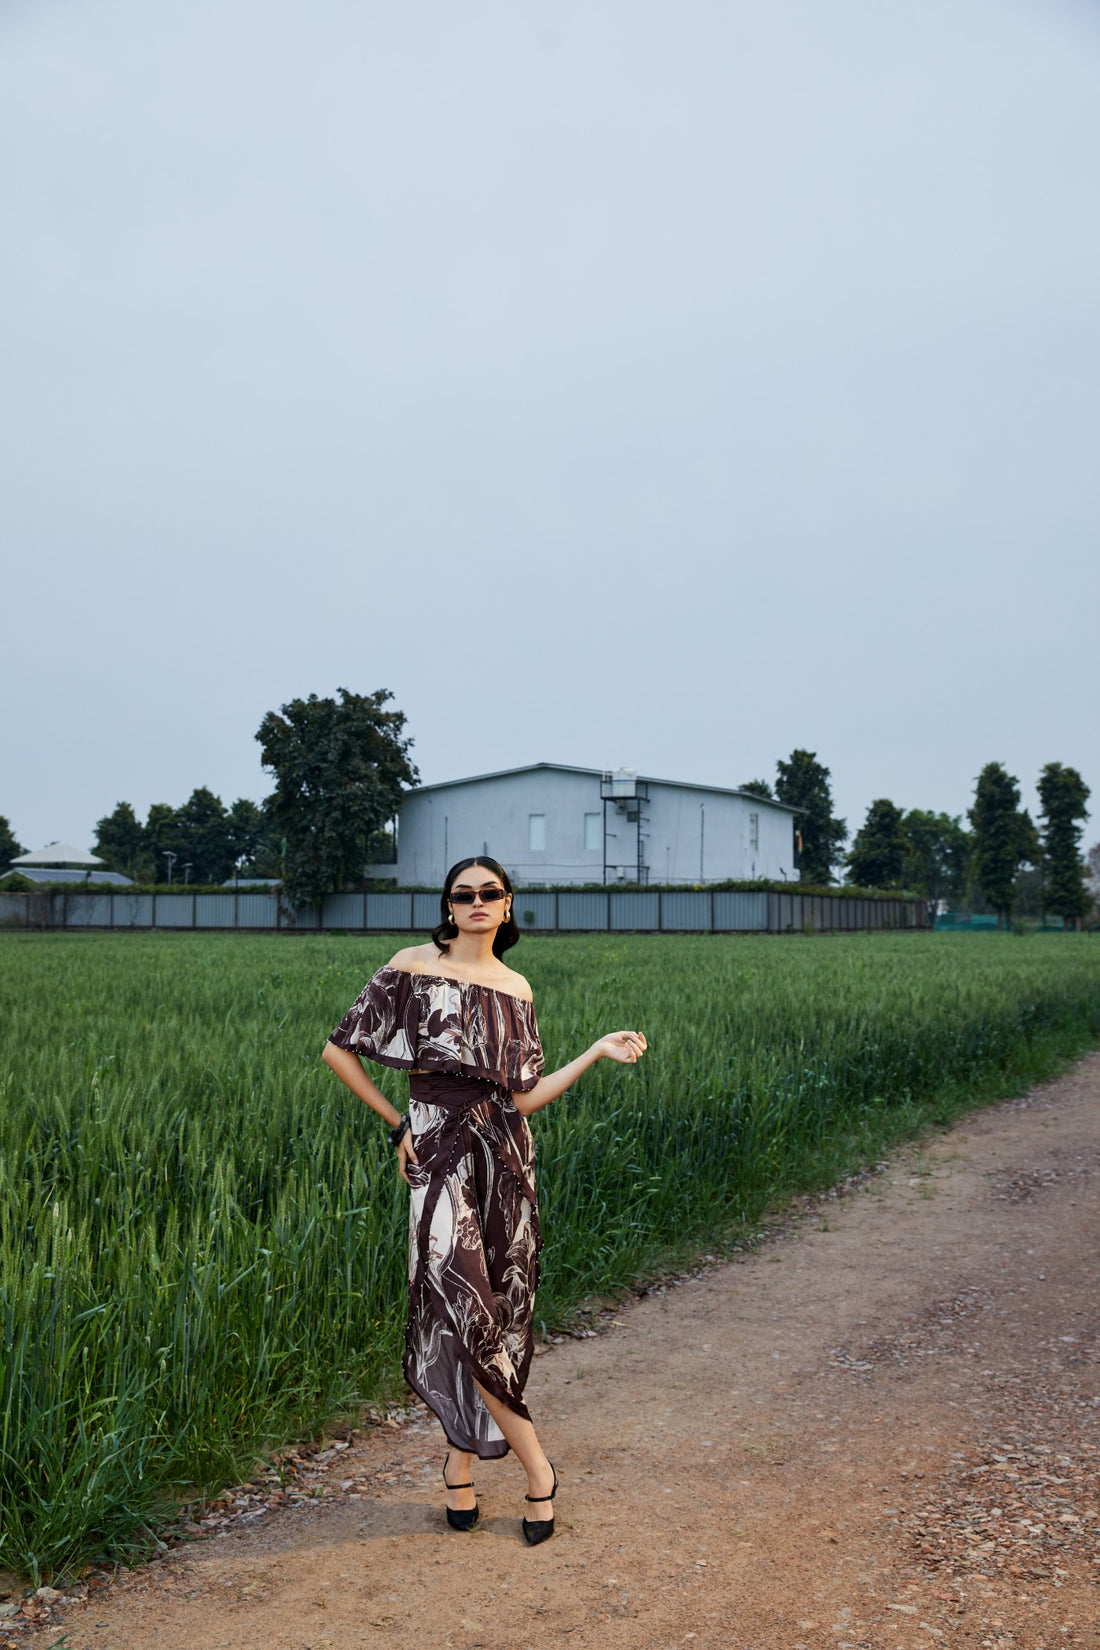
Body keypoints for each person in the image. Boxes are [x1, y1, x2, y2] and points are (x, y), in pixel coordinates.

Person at [322, 855, 647, 1544]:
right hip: (435, 1152)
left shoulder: (515, 986)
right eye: (462, 893)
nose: (476, 901)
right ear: (448, 906)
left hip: (503, 1156)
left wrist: (593, 1052)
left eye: (489, 892)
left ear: (506, 905)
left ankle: (459, 1462)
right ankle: (538, 1469)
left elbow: (522, 1098)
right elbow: (338, 1051)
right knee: (459, 1298)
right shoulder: (411, 966)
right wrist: (398, 1125)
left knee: (498, 1309)